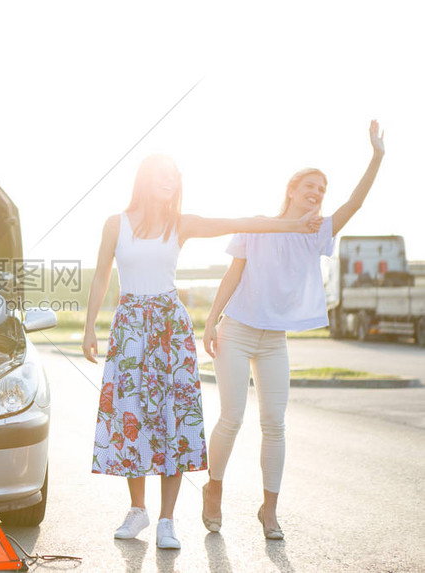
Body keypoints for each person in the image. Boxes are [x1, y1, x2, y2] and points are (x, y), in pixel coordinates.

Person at [82, 154, 322, 549]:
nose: (171, 181)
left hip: (169, 327)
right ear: (145, 178)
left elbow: (243, 223)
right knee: (132, 414)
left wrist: (294, 224)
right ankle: (137, 509)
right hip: (130, 327)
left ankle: (166, 520)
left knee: (171, 418)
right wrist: (90, 326)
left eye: (175, 177)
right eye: (164, 175)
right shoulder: (116, 224)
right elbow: (102, 275)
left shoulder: (181, 224)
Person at [201, 121, 385, 539]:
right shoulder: (258, 224)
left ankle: (269, 510)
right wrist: (211, 321)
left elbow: (354, 203)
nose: (318, 193)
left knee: (275, 423)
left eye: (323, 189)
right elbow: (233, 274)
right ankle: (214, 488)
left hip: (273, 340)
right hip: (238, 329)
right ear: (291, 189)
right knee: (231, 417)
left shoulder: (316, 234)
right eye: (311, 186)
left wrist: (377, 156)